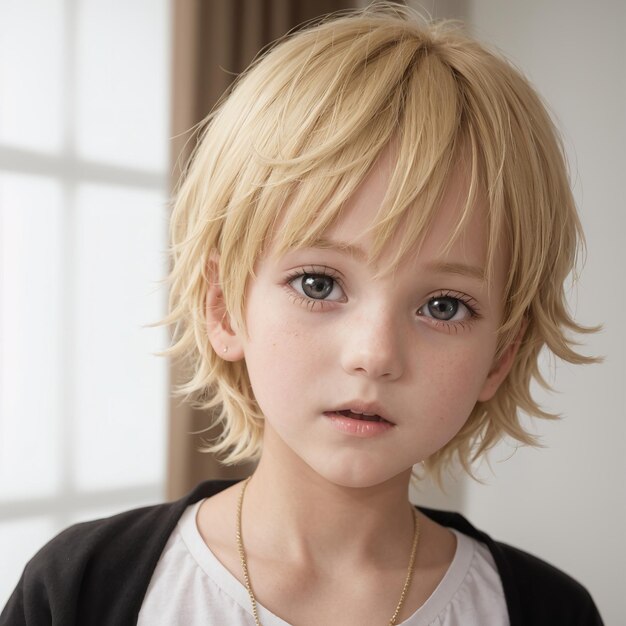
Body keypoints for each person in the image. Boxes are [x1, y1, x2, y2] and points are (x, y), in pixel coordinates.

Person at [1, 3, 604, 625]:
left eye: (443, 305)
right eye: (319, 284)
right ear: (224, 306)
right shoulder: (84, 588)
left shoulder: (546, 611)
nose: (374, 354)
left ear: (500, 354)